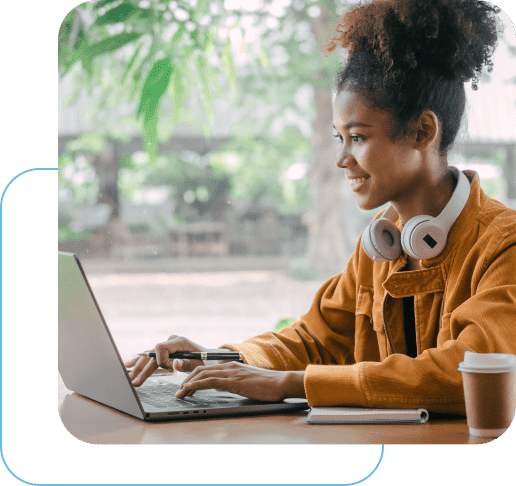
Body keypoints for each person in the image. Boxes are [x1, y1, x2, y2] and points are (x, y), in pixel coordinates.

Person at [125, 0, 516, 415]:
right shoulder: (381, 247)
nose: (342, 159)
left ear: (422, 131)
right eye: (338, 138)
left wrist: (291, 384)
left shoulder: (503, 245)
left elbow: (466, 370)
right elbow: (315, 339)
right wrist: (224, 358)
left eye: (359, 138)